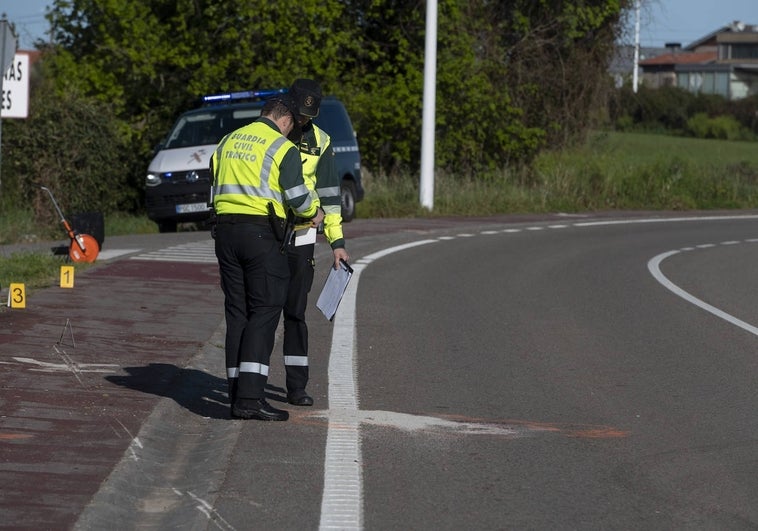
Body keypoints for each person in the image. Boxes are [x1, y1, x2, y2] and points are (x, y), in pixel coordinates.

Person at [211, 94, 325, 421]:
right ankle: (250, 398)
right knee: (266, 309)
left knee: (238, 312)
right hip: (260, 234)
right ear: (286, 120)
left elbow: (213, 184)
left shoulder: (227, 141)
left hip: (225, 232)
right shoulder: (282, 147)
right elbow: (297, 198)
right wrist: (314, 213)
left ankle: (235, 391)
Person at [282, 78, 349, 407]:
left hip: (304, 233)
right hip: (268, 232)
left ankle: (296, 387)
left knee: (295, 311)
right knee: (263, 311)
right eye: (300, 115)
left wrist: (336, 242)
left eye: (310, 116)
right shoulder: (271, 134)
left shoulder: (321, 142)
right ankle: (250, 384)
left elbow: (331, 198)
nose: (304, 122)